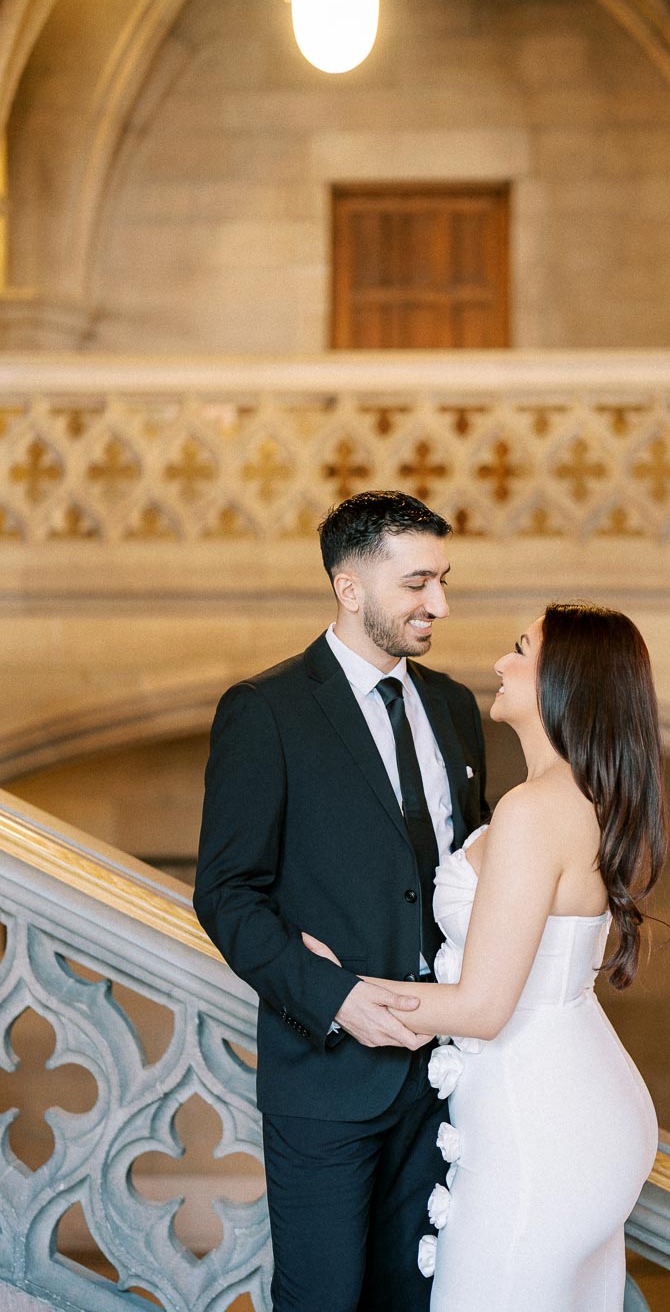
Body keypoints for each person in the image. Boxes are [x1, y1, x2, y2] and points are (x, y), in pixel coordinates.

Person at [306, 602, 667, 1311]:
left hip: (542, 1123)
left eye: (521, 649)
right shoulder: (586, 797)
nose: (500, 663)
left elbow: (481, 1007)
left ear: (566, 681)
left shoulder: (536, 811)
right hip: (581, 1099)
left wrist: (330, 984)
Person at [193, 490, 489, 1312]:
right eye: (418, 583)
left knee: (414, 1299)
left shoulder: (457, 709)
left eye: (444, 579)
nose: (440, 603)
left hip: (447, 1080)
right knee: (322, 1299)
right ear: (350, 589)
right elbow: (225, 892)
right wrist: (337, 999)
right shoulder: (267, 712)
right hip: (327, 1079)